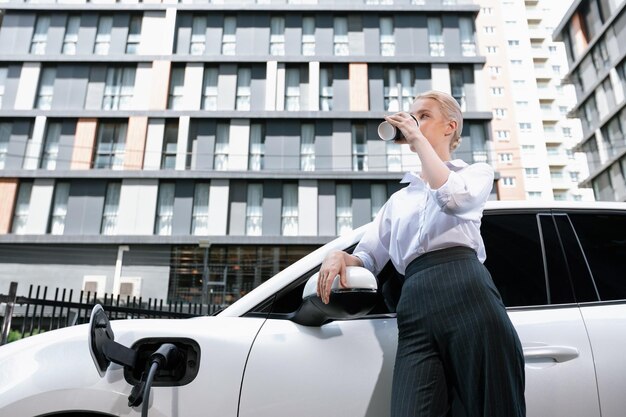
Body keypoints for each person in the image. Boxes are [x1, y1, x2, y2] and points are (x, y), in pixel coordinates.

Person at [317, 90, 526, 417]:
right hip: (414, 305)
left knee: (492, 405)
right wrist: (340, 257)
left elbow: (453, 200)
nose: (414, 121)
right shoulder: (398, 201)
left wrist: (417, 140)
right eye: (412, 116)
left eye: (423, 116)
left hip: (467, 290)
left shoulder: (474, 173)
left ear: (449, 127)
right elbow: (369, 257)